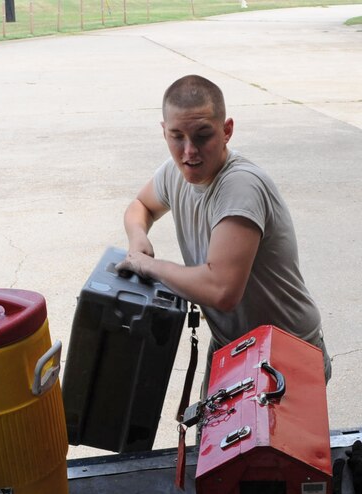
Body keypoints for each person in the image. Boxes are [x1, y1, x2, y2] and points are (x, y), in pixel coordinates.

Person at [115, 75, 330, 388]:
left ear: (227, 130)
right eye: (177, 136)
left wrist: (147, 265)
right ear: (164, 131)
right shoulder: (175, 172)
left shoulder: (240, 187)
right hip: (232, 347)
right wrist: (138, 237)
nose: (189, 151)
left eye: (203, 136)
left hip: (286, 355)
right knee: (211, 438)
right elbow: (140, 205)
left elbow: (222, 291)